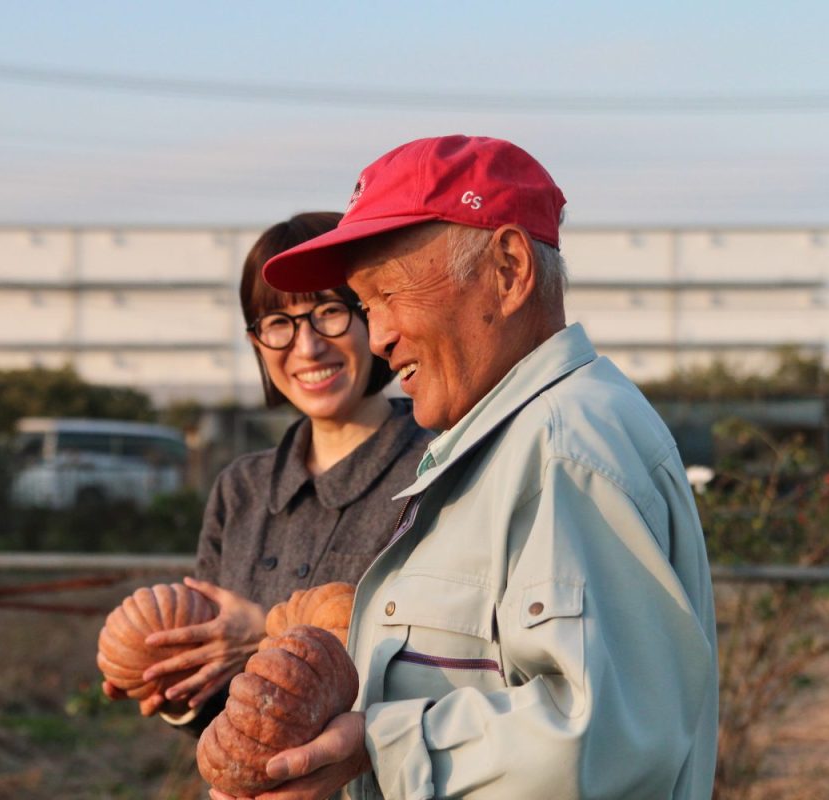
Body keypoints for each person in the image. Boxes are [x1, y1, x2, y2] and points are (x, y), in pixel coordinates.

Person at [234, 136, 718, 799]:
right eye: (367, 306)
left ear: (510, 269)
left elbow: (607, 736)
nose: (378, 337)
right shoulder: (500, 445)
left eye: (388, 294)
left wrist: (378, 745)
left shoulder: (563, 447)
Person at [104, 212, 433, 730]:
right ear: (258, 342)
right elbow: (224, 712)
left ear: (372, 315)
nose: (307, 347)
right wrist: (178, 688)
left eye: (329, 312)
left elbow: (449, 664)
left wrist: (265, 633)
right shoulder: (241, 489)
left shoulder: (436, 471)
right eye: (279, 323)